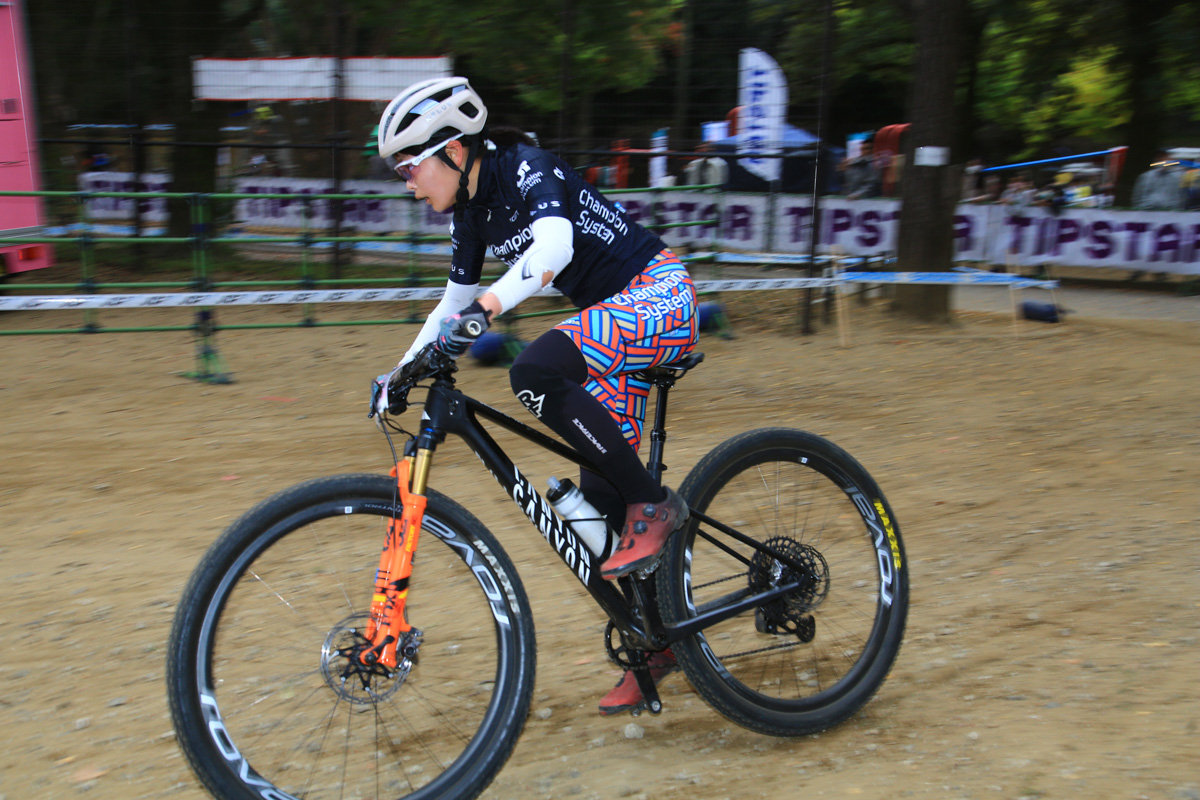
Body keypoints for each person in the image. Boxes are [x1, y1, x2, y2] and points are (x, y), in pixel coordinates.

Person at [372, 77, 698, 715]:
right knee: (598, 522)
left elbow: (554, 247)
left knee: (536, 370)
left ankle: (654, 505)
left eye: (410, 168)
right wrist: (401, 371)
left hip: (660, 295)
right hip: (609, 332)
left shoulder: (527, 167)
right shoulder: (470, 215)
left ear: (455, 151)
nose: (407, 183)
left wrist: (488, 311)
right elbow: (453, 304)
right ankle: (656, 640)